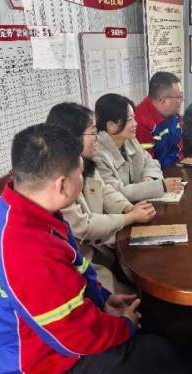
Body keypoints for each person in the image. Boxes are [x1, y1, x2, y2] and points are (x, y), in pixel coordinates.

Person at [0, 123, 192, 374]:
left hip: (29, 344)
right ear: (61, 184)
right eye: (81, 174)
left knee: (146, 313)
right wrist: (124, 326)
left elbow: (72, 274)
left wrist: (103, 300)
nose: (84, 180)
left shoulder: (9, 209)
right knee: (147, 350)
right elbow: (77, 336)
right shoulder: (26, 252)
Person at [47, 102, 156, 293]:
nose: (97, 137)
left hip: (103, 249)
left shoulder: (86, 162)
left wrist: (127, 208)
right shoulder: (57, 180)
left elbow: (104, 190)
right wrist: (129, 217)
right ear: (72, 137)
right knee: (134, 293)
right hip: (83, 262)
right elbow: (83, 226)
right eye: (92, 132)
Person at [94, 93, 184, 203]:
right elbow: (116, 192)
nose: (135, 123)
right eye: (130, 120)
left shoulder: (129, 140)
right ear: (111, 126)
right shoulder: (98, 154)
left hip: (139, 205)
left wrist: (149, 177)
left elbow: (149, 161)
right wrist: (159, 187)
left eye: (133, 118)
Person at [135, 71, 184, 169]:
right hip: (153, 175)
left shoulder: (173, 115)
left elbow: (177, 150)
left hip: (172, 170)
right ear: (164, 101)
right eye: (179, 97)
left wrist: (175, 170)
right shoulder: (140, 122)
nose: (182, 100)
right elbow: (147, 164)